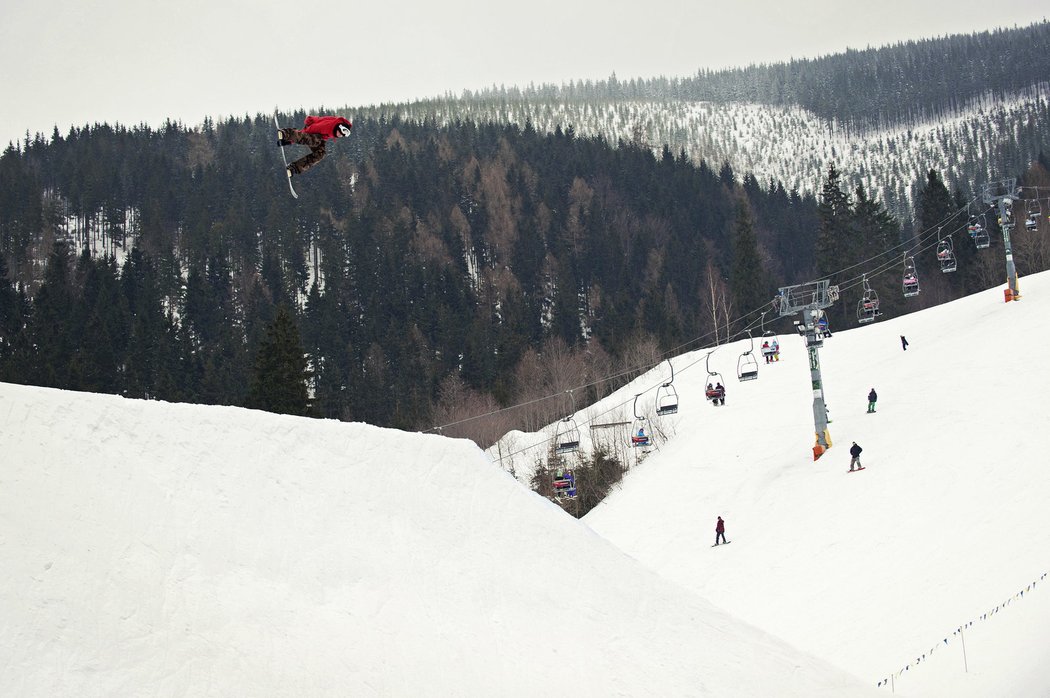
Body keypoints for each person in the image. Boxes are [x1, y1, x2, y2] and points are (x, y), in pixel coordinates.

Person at [277, 115, 353, 178]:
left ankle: (294, 168)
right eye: (340, 133)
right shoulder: (327, 127)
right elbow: (306, 132)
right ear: (339, 127)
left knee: (320, 154)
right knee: (314, 141)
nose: (340, 136)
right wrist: (289, 139)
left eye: (342, 136)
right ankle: (286, 133)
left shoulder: (335, 126)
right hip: (312, 130)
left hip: (319, 136)